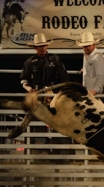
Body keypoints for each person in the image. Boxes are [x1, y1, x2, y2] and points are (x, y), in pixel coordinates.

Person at [20, 33, 72, 163]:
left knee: (59, 123)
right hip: (37, 99)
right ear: (35, 48)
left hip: (55, 98)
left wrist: (55, 92)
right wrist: (30, 89)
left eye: (43, 45)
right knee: (38, 125)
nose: (42, 48)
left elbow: (65, 79)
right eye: (39, 46)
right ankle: (39, 155)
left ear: (47, 45)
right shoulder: (30, 62)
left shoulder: (56, 60)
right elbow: (23, 79)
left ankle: (63, 155)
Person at [76, 31, 104, 96]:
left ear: (94, 45)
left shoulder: (99, 57)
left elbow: (101, 76)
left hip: (96, 94)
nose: (87, 48)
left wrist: (96, 90)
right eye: (85, 46)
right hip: (89, 92)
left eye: (89, 45)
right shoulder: (86, 56)